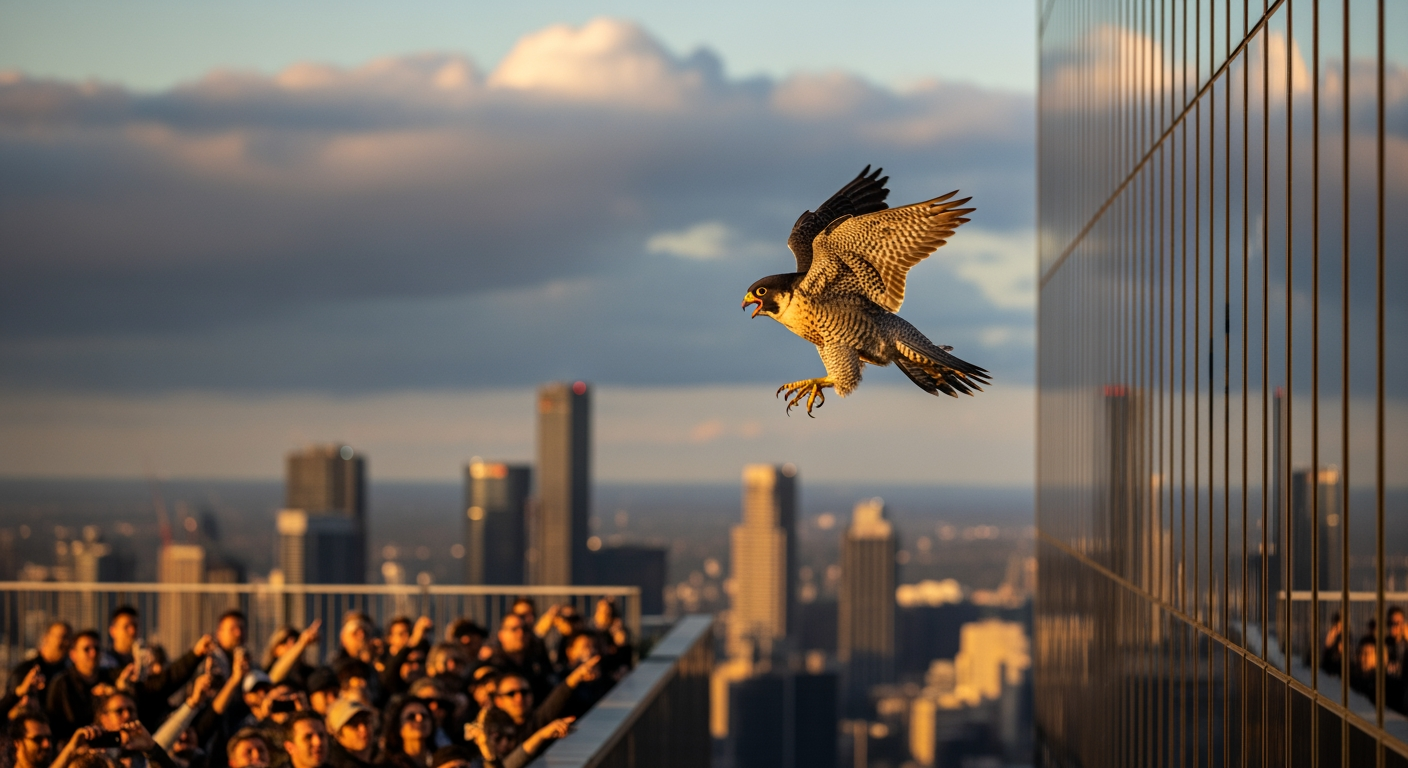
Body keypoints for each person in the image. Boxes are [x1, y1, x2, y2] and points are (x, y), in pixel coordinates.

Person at [46, 631, 124, 741]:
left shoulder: (111, 678)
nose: (93, 654)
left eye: (96, 648)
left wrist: (115, 694)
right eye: (86, 649)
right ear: (73, 654)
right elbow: (53, 723)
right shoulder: (61, 684)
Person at [481, 617, 551, 702]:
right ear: (501, 635)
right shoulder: (492, 666)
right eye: (514, 629)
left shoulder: (537, 665)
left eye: (525, 629)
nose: (521, 633)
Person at [9, 621, 72, 695]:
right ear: (46, 638)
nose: (67, 642)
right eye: (62, 637)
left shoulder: (69, 671)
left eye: (69, 637)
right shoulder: (26, 671)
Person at [378, 697, 433, 768]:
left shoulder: (441, 759)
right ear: (399, 727)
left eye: (424, 715)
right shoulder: (388, 764)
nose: (419, 719)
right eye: (411, 717)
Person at [325, 697, 380, 768]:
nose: (363, 729)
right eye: (354, 724)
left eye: (366, 721)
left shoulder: (383, 758)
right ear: (337, 734)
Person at [101, 607, 140, 673]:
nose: (132, 631)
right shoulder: (104, 663)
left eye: (135, 626)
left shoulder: (144, 661)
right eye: (126, 627)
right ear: (113, 631)